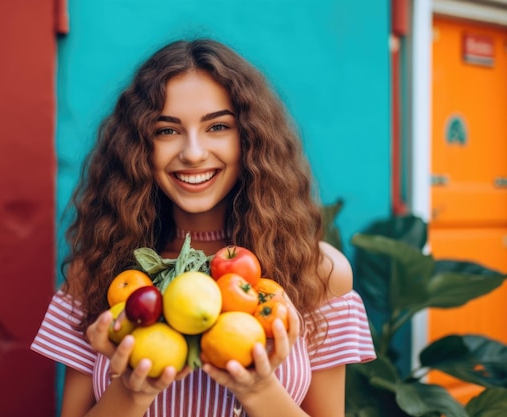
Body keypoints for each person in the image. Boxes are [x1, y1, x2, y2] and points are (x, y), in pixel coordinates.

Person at [31, 38, 376, 417]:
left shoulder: (319, 273)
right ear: (139, 148)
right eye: (167, 130)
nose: (193, 152)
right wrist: (131, 393)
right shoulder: (96, 274)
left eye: (217, 127)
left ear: (250, 138)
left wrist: (260, 390)